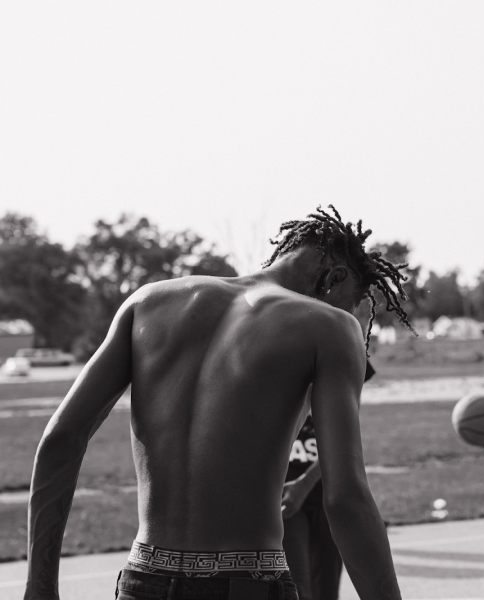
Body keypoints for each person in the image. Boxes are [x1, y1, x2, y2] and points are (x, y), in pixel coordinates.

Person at [25, 206, 411, 600]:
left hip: (144, 581)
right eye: (351, 303)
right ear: (336, 277)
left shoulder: (148, 302)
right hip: (248, 583)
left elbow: (61, 438)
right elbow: (345, 497)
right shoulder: (329, 327)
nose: (348, 315)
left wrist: (39, 588)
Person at [281, 360, 376, 600]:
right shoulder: (274, 340)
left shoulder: (345, 345)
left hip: (327, 488)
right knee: (295, 586)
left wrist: (305, 483)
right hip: (282, 491)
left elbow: (345, 435)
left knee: (326, 587)